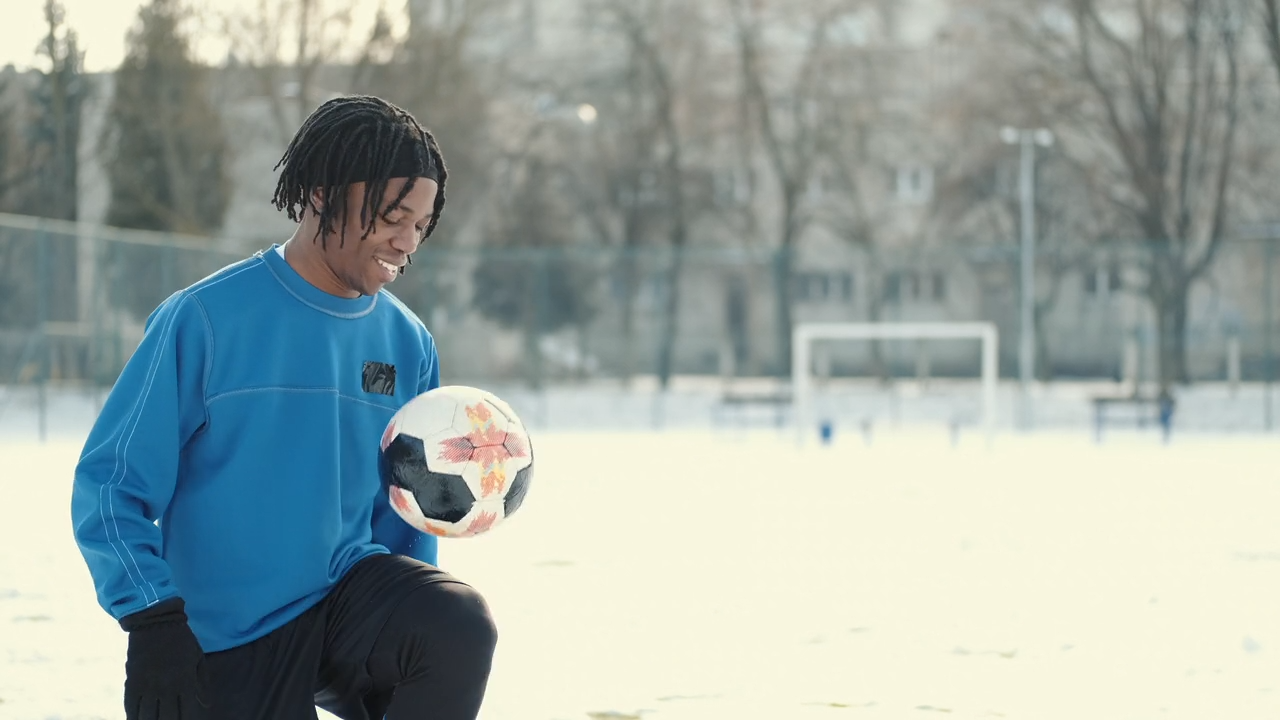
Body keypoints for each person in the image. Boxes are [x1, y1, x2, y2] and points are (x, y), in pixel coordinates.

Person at [70, 95, 497, 720]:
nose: (408, 241)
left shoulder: (408, 344)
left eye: (421, 224)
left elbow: (405, 511)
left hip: (345, 609)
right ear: (322, 195)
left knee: (456, 623)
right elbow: (111, 487)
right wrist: (152, 619)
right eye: (392, 215)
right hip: (222, 635)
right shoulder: (206, 320)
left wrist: (409, 632)